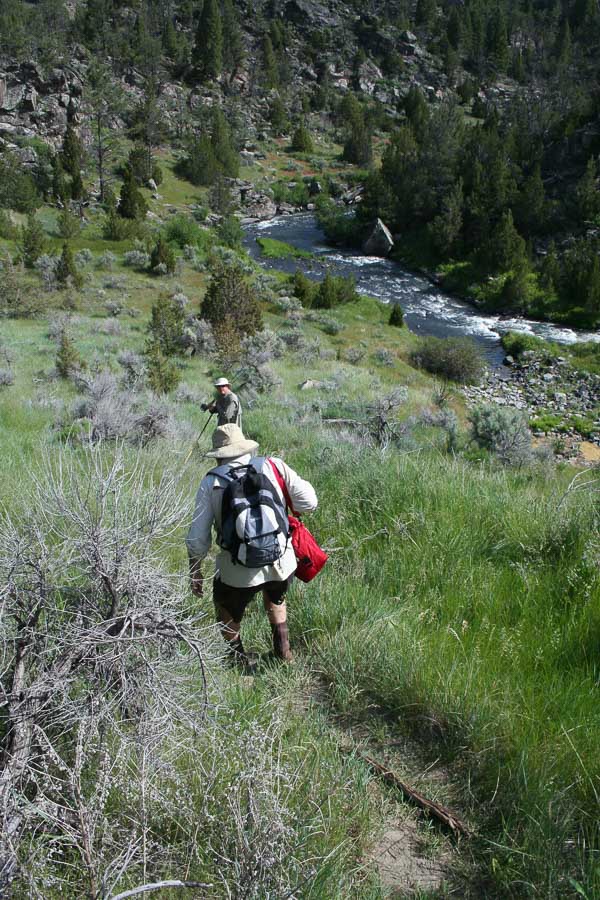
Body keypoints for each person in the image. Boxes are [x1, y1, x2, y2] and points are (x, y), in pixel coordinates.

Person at [186, 424, 318, 667]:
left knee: (226, 607)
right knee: (276, 596)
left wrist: (195, 570)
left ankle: (238, 662)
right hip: (280, 558)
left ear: (218, 454)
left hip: (237, 568)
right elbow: (309, 501)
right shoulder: (273, 465)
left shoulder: (211, 482)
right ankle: (283, 654)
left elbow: (197, 537)